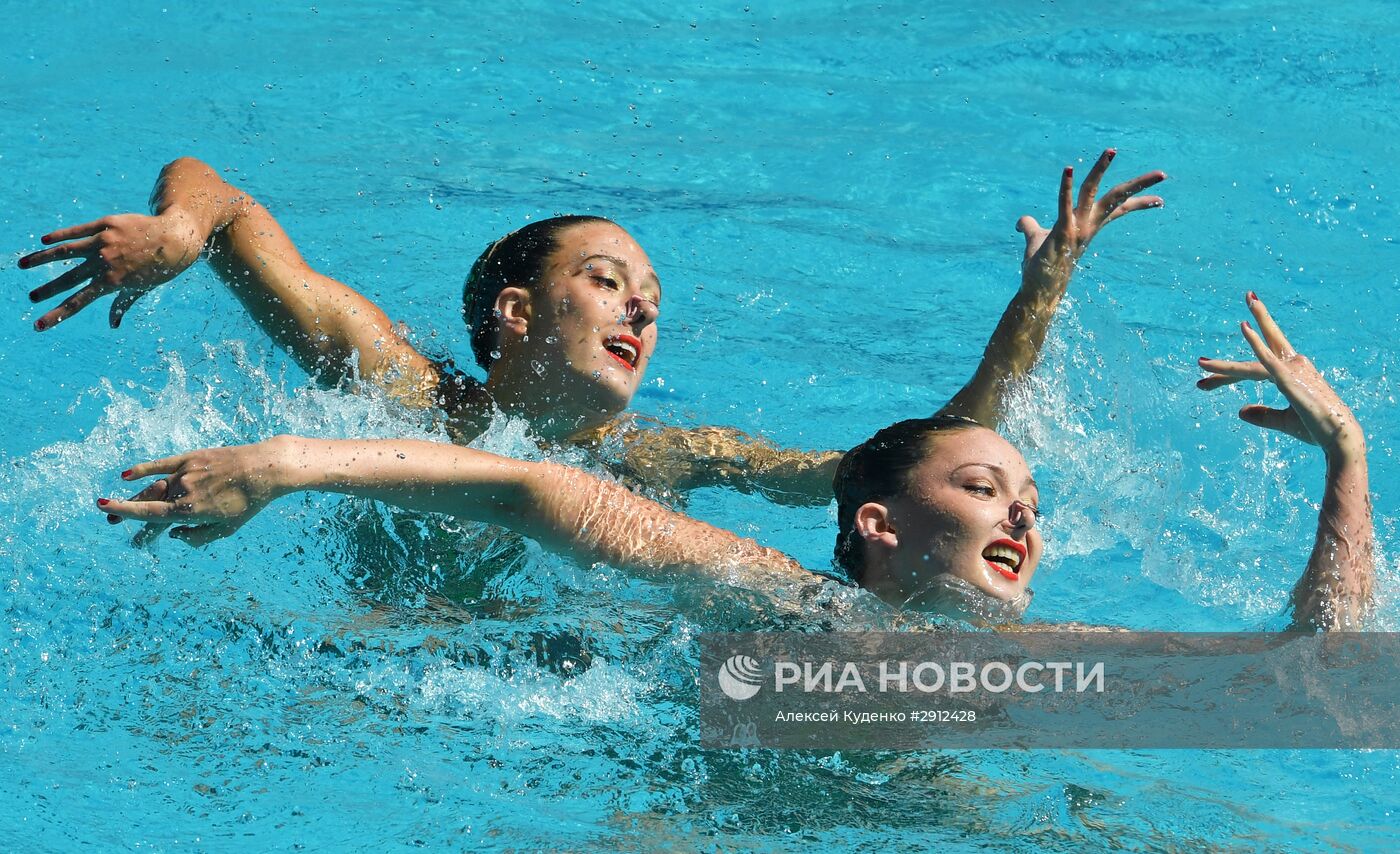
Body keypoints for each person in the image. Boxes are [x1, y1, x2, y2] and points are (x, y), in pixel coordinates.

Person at [97, 293, 1373, 632]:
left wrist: (1348, 463)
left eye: (1030, 500)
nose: (1023, 519)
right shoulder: (785, 602)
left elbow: (1295, 683)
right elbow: (545, 488)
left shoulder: (1018, 660)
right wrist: (281, 461)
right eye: (986, 489)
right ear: (871, 522)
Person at [21, 152, 1165, 506]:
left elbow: (909, 466)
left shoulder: (664, 461)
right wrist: (181, 229)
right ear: (516, 314)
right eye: (610, 281)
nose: (643, 306)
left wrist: (1037, 298)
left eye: (651, 293)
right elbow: (225, 198)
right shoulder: (398, 390)